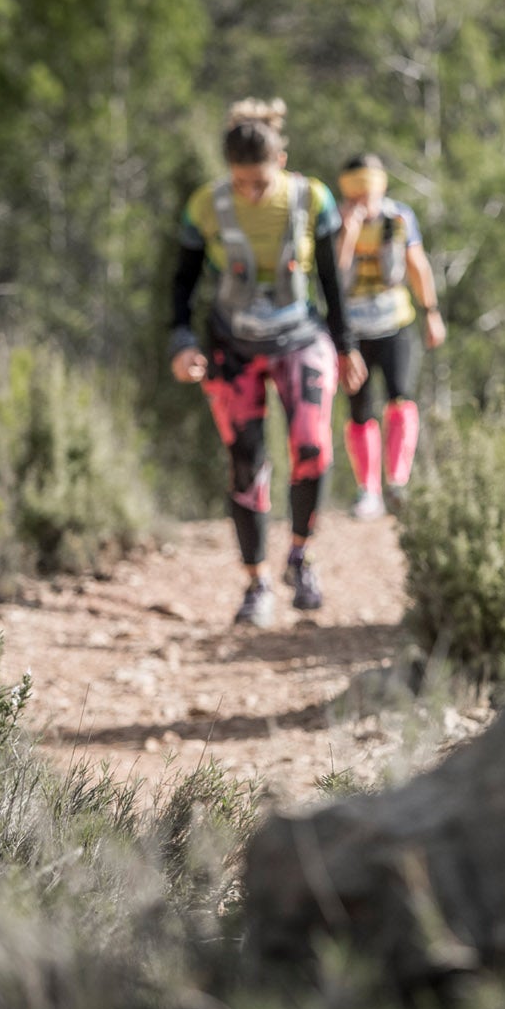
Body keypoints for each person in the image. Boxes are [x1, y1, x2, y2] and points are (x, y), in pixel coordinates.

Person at [170, 99, 366, 627]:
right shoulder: (205, 206)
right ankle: (255, 583)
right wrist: (183, 343)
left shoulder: (312, 198)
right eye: (240, 181)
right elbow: (182, 285)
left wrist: (346, 346)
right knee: (246, 462)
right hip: (231, 348)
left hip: (300, 336)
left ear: (282, 160)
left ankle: (300, 557)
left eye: (258, 180)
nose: (250, 191)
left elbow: (330, 280)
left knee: (311, 446)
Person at [333, 154, 447, 518]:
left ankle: (397, 482)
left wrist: (431, 313)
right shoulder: (334, 220)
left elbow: (417, 265)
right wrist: (348, 236)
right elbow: (331, 278)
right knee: (359, 409)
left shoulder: (400, 217)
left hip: (395, 323)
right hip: (351, 331)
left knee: (401, 397)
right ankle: (368, 490)